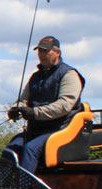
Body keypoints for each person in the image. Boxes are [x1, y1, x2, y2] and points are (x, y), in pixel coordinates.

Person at [5, 36, 86, 173]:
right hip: (36, 130)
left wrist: (34, 112)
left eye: (46, 51)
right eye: (40, 52)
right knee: (11, 149)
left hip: (59, 129)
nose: (42, 55)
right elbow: (24, 99)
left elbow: (64, 105)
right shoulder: (35, 77)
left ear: (57, 52)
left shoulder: (69, 74)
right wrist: (16, 108)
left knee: (30, 149)